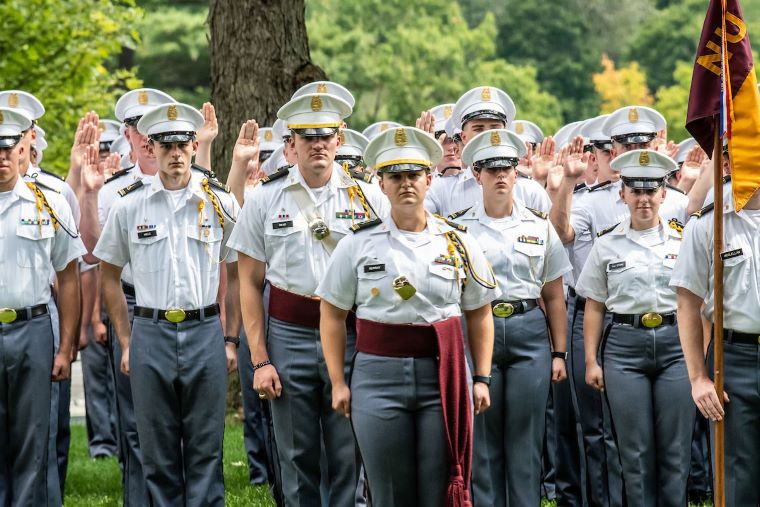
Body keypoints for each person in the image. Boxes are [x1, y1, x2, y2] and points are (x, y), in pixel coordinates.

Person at [316, 125, 498, 506]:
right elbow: (332, 315)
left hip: (442, 374)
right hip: (377, 376)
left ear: (429, 179)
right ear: (380, 184)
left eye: (413, 175)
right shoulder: (357, 244)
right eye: (395, 177)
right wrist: (338, 382)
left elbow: (479, 311)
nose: (405, 185)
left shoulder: (458, 241)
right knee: (389, 491)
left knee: (439, 484)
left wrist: (480, 377)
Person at [228, 92, 388, 506]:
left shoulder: (370, 199)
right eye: (307, 136)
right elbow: (249, 282)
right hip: (290, 336)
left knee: (347, 453)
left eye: (325, 136)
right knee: (296, 457)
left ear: (339, 139)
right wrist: (260, 359)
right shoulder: (265, 199)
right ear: (291, 143)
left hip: (350, 336)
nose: (317, 144)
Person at [92, 102, 241, 506]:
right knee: (156, 455)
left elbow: (237, 273)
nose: (175, 154)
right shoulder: (129, 204)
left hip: (204, 331)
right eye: (165, 145)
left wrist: (230, 339)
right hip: (151, 332)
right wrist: (126, 340)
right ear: (151, 147)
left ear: (195, 146)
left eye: (182, 145)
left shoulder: (220, 202)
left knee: (206, 451)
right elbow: (109, 274)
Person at [452, 129, 571, 506]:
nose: (499, 175)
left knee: (526, 439)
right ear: (476, 174)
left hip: (528, 334)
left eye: (506, 167)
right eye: (490, 168)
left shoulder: (539, 226)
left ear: (517, 172)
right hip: (477, 332)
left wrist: (559, 353)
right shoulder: (457, 229)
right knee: (482, 442)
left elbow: (554, 296)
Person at [576, 150, 694, 507]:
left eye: (651, 190)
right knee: (634, 451)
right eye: (636, 191)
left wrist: (698, 357)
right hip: (625, 349)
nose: (644, 199)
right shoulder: (606, 243)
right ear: (623, 194)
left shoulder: (685, 240)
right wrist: (592, 361)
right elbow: (594, 305)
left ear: (663, 193)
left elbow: (697, 303)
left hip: (676, 347)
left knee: (675, 450)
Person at [0, 106, 85, 506]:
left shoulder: (50, 202)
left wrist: (65, 347)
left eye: (8, 147)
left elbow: (68, 278)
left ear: (24, 147)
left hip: (32, 329)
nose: (2, 157)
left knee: (33, 440)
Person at [671, 175, 760, 507]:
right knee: (738, 480)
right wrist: (697, 378)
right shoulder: (709, 223)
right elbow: (687, 302)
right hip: (733, 360)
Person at [424, 86, 552, 217]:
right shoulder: (443, 189)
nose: (487, 135)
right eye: (478, 129)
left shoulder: (529, 190)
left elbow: (554, 235)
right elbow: (408, 223)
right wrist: (424, 165)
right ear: (463, 137)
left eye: (494, 128)